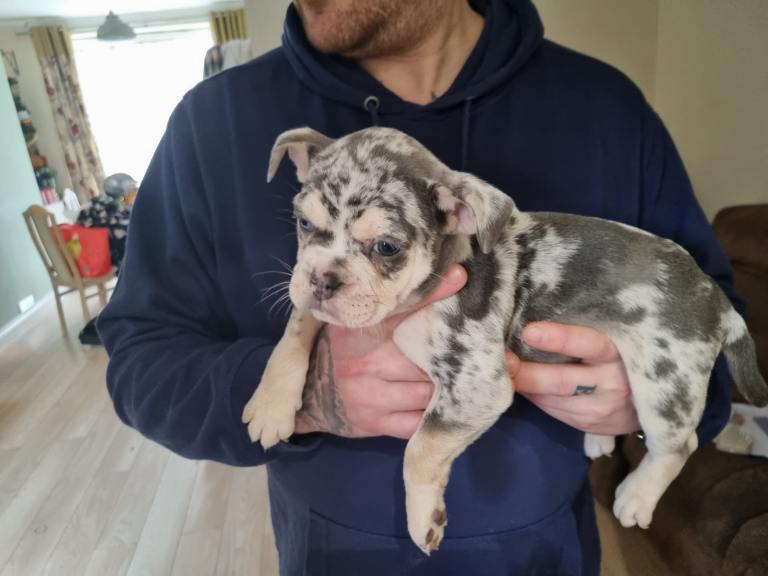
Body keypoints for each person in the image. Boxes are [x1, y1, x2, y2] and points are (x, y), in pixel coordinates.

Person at [97, 0, 739, 573]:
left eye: (383, 246)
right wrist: (306, 392)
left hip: (547, 551)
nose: (321, 269)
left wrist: (646, 403)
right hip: (328, 553)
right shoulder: (212, 122)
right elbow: (138, 362)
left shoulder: (608, 109)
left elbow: (713, 320)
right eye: (307, 227)